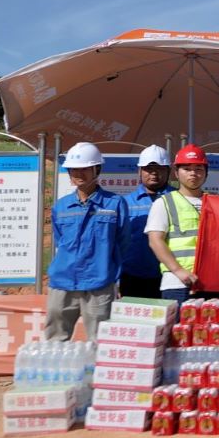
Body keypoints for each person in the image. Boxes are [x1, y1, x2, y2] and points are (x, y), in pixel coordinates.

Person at [45, 142, 129, 340]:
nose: (78, 174)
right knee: (55, 341)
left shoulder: (115, 203)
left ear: (96, 170)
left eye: (84, 169)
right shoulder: (61, 206)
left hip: (99, 282)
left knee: (99, 341)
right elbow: (60, 240)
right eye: (74, 169)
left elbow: (123, 242)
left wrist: (111, 274)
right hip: (63, 281)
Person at [148, 144, 209, 304]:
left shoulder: (215, 201)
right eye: (187, 169)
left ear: (206, 173)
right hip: (178, 283)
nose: (193, 173)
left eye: (198, 169)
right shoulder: (164, 202)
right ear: (176, 173)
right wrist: (178, 270)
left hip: (211, 282)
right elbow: (155, 240)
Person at [119, 145, 172, 299]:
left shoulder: (178, 199)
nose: (154, 173)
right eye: (148, 169)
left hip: (169, 276)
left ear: (168, 171)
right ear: (139, 171)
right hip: (132, 277)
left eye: (159, 168)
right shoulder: (125, 203)